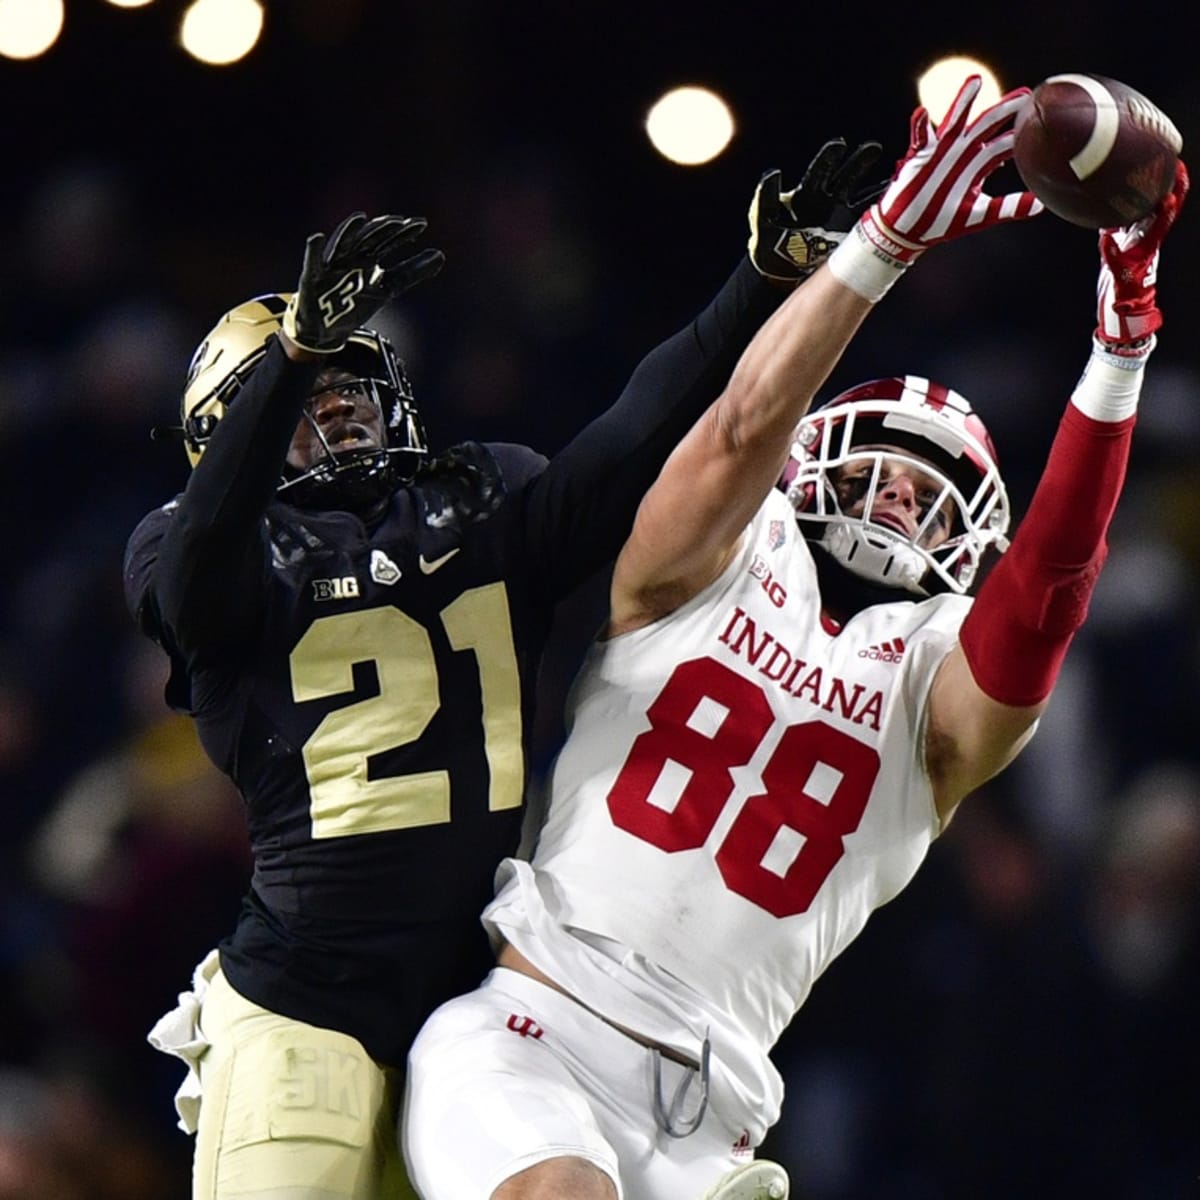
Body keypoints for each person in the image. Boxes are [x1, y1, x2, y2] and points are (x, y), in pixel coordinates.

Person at [401, 76, 1189, 1200]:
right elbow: (736, 426)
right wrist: (883, 244)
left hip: (715, 1124)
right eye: (883, 469)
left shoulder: (934, 687)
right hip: (536, 1033)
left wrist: (1120, 353)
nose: (902, 503)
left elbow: (1052, 589)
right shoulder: (709, 566)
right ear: (816, 461)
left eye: (932, 491)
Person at [122, 142, 886, 1200]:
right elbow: (204, 575)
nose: (336, 404)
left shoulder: (480, 497)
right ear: (231, 432)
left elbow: (632, 437)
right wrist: (291, 352)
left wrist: (759, 282)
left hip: (468, 1012)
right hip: (305, 1007)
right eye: (302, 395)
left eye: (350, 381)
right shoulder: (185, 543)